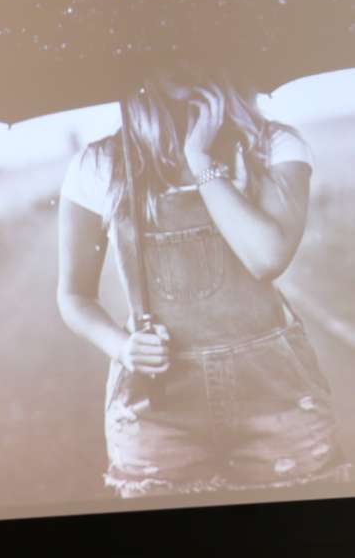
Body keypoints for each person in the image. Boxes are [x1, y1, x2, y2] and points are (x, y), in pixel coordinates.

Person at [56, 72, 346, 497]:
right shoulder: (99, 165)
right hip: (159, 410)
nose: (179, 55)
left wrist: (201, 160)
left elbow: (266, 258)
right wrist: (121, 346)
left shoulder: (272, 147)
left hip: (276, 395)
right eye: (160, 41)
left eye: (194, 39)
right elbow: (74, 295)